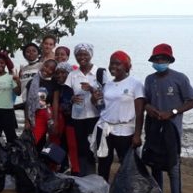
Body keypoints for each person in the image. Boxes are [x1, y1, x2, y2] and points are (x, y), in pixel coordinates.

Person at [143, 43, 193, 193]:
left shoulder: (180, 79)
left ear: (169, 61)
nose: (160, 62)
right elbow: (146, 102)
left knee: (173, 170)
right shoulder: (149, 79)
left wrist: (173, 111)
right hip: (154, 129)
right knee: (155, 168)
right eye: (157, 59)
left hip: (172, 131)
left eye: (163, 59)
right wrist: (150, 109)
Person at [89, 51, 145, 182]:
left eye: (117, 63)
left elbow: (140, 112)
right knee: (103, 163)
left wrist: (137, 134)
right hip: (105, 129)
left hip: (125, 131)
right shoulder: (107, 85)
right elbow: (102, 107)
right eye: (111, 63)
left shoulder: (135, 83)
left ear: (126, 66)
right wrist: (93, 100)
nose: (113, 66)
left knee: (127, 165)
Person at [66, 43, 108, 176]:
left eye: (85, 54)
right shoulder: (72, 74)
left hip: (95, 116)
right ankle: (85, 175)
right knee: (82, 148)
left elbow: (107, 94)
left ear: (91, 55)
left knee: (96, 147)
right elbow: (67, 96)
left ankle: (96, 177)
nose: (82, 57)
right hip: (78, 117)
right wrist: (72, 99)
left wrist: (91, 89)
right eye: (78, 54)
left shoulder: (100, 72)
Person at [24, 59, 59, 151]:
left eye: (51, 69)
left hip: (48, 115)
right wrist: (26, 120)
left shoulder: (54, 83)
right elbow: (28, 102)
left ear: (54, 72)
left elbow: (55, 102)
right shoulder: (32, 82)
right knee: (33, 141)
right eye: (46, 66)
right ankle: (32, 163)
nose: (47, 70)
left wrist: (55, 121)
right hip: (35, 115)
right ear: (42, 65)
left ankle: (46, 164)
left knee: (50, 142)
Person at [0, 55, 21, 143]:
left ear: (5, 64)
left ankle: (12, 154)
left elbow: (18, 93)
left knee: (11, 136)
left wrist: (17, 81)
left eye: (2, 63)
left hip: (7, 110)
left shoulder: (10, 77)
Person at [55, 62, 80, 174]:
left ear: (69, 73)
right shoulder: (59, 88)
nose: (60, 75)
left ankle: (76, 169)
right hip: (62, 122)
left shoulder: (73, 87)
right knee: (62, 144)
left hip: (73, 122)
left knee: (73, 146)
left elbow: (78, 104)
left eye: (63, 73)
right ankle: (64, 166)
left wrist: (68, 104)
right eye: (57, 73)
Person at [18, 43, 42, 109]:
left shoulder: (42, 66)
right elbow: (20, 90)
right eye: (28, 51)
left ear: (38, 53)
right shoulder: (22, 69)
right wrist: (16, 80)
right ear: (24, 55)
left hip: (39, 103)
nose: (31, 53)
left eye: (34, 51)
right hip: (26, 104)